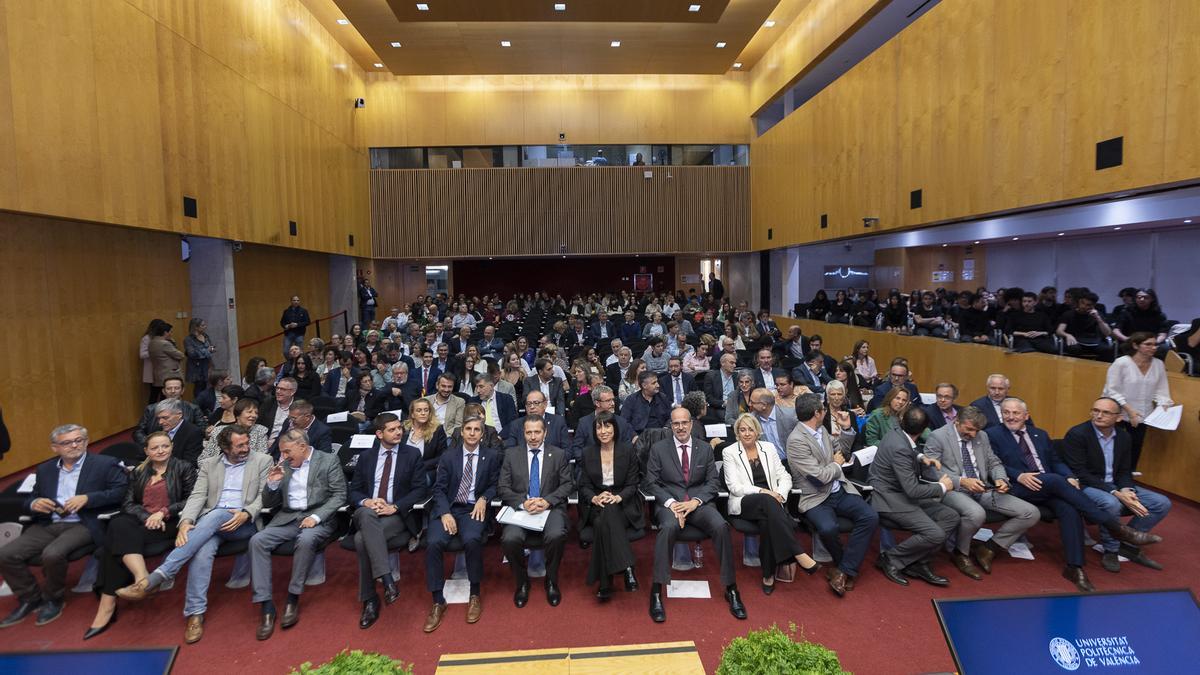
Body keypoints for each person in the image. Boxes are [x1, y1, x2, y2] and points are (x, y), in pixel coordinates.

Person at [116, 425, 272, 644]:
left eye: (247, 443)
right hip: (210, 525)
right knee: (202, 551)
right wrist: (186, 522)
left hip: (243, 523)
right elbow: (198, 496)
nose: (246, 448)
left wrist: (247, 513)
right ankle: (195, 614)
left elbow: (265, 496)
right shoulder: (209, 465)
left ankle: (160, 575)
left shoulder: (262, 460)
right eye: (240, 445)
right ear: (225, 448)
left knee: (217, 515)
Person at [986, 398, 1162, 592]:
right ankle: (1114, 527)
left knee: (1069, 508)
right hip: (1017, 486)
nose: (1010, 417)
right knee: (1054, 479)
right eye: (1006, 413)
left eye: (1016, 413)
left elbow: (1055, 460)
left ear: (1026, 416)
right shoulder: (991, 435)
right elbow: (993, 464)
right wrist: (1019, 475)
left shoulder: (1040, 434)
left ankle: (1074, 566)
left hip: (1050, 487)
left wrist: (1068, 476)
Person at [0, 425, 127, 629]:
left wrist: (88, 498)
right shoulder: (45, 469)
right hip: (49, 522)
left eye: (79, 440)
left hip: (84, 523)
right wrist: (34, 504)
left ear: (86, 442)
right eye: (67, 442)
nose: (74, 445)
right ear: (55, 447)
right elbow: (31, 497)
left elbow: (121, 492)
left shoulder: (105, 464)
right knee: (6, 554)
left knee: (52, 554)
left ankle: (53, 599)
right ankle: (30, 598)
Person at [84, 432, 196, 639]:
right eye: (155, 448)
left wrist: (162, 513)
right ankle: (144, 579)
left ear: (172, 446)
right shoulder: (139, 472)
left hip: (171, 522)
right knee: (119, 523)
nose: (161, 451)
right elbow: (128, 504)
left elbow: (192, 500)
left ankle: (106, 607)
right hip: (142, 522)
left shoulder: (184, 468)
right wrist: (148, 517)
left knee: (112, 545)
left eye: (165, 446)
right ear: (146, 451)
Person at [643, 407, 745, 622]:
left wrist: (695, 502)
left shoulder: (705, 448)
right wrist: (673, 504)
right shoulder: (659, 449)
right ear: (670, 426)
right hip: (670, 503)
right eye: (675, 423)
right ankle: (656, 590)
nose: (680, 427)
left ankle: (731, 587)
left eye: (684, 423)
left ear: (691, 424)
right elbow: (651, 482)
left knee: (720, 526)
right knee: (668, 528)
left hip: (699, 503)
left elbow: (713, 483)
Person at [250, 429, 346, 639]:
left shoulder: (328, 461)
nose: (283, 456)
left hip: (318, 519)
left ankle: (292, 597)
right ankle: (266, 605)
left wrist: (317, 517)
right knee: (257, 540)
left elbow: (339, 495)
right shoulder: (283, 465)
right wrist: (273, 484)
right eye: (282, 452)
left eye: (287, 451)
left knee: (307, 539)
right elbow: (269, 503)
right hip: (287, 518)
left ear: (302, 447)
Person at [922, 407, 1039, 580]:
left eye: (976, 430)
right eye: (969, 429)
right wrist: (961, 481)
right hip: (954, 489)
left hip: (983, 487)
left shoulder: (982, 436)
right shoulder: (938, 436)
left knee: (1031, 513)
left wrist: (1001, 479)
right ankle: (961, 552)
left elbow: (994, 462)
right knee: (976, 514)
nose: (973, 434)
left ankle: (990, 547)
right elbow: (930, 472)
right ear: (957, 422)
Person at [1061, 398, 1172, 573]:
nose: (1098, 415)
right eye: (1095, 410)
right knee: (1111, 503)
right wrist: (1115, 492)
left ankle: (1126, 542)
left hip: (1115, 484)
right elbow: (1080, 473)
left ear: (1118, 418)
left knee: (1161, 502)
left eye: (1105, 412)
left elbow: (1125, 469)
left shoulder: (1123, 436)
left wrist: (1126, 489)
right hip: (1086, 485)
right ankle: (1111, 549)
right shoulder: (1078, 434)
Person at [787, 394, 875, 597]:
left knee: (870, 517)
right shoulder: (796, 440)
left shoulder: (822, 429)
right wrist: (836, 464)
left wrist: (845, 430)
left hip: (839, 489)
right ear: (817, 413)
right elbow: (820, 476)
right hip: (815, 496)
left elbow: (841, 452)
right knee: (828, 528)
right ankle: (846, 567)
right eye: (823, 409)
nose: (826, 412)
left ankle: (843, 570)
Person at [723, 414, 819, 595]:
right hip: (745, 502)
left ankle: (767, 574)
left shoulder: (768, 448)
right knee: (767, 503)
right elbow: (734, 487)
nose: (746, 433)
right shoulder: (729, 452)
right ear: (737, 432)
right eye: (742, 430)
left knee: (767, 522)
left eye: (750, 429)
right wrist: (765, 492)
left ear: (757, 431)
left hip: (772, 504)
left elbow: (785, 476)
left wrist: (780, 495)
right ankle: (797, 552)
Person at [349, 414, 427, 629]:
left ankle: (370, 599)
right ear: (379, 434)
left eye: (399, 428)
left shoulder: (411, 454)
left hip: (395, 515)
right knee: (365, 515)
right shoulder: (366, 457)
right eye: (392, 429)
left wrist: (395, 506)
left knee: (360, 540)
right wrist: (367, 502)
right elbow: (353, 491)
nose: (398, 432)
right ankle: (386, 579)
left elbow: (421, 488)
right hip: (369, 512)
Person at [423, 417, 500, 633]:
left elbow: (495, 484)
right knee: (434, 542)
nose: (473, 433)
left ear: (482, 434)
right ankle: (438, 600)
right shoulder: (449, 456)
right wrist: (445, 513)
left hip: (474, 507)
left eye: (477, 430)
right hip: (449, 508)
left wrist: (484, 498)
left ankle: (474, 594)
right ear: (462, 433)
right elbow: (438, 489)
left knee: (472, 539)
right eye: (469, 429)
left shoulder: (491, 456)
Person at [869, 407, 959, 587]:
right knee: (935, 534)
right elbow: (913, 491)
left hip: (900, 494)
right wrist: (942, 487)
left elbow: (907, 447)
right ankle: (890, 558)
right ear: (924, 429)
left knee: (951, 517)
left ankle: (919, 562)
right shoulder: (900, 448)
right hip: (889, 500)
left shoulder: (895, 432)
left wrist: (920, 457)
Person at [497, 416, 574, 609]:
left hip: (550, 508)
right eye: (528, 432)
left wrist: (547, 501)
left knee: (556, 535)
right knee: (509, 539)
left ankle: (551, 580)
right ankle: (522, 582)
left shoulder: (558, 454)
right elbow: (503, 487)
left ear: (545, 433)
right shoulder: (512, 455)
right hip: (521, 509)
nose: (533, 437)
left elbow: (568, 485)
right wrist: (523, 503)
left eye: (537, 432)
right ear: (523, 433)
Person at [578, 413, 644, 601]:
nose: (603, 431)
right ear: (594, 431)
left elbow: (633, 484)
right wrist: (594, 497)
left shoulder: (627, 450)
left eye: (607, 427)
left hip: (623, 504)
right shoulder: (587, 452)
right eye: (599, 427)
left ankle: (605, 582)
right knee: (605, 513)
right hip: (597, 503)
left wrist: (618, 497)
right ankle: (627, 567)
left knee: (601, 523)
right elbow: (583, 485)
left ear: (615, 429)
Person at [1103, 332, 1173, 471]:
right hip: (1117, 412)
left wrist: (1163, 404)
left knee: (1135, 447)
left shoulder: (1158, 364)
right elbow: (1112, 390)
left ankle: (1128, 479)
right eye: (1148, 344)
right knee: (1114, 446)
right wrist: (1129, 411)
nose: (1153, 347)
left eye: (1155, 344)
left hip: (1142, 414)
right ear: (1135, 345)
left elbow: (1161, 390)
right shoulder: (1121, 363)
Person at [133, 376, 206, 445]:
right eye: (169, 388)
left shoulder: (193, 408)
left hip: (182, 447)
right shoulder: (151, 409)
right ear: (163, 391)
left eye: (177, 388)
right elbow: (138, 432)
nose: (173, 391)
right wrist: (151, 443)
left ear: (182, 390)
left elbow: (201, 430)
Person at [202, 397, 269, 460]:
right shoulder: (219, 431)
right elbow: (204, 458)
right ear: (238, 415)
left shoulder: (260, 431)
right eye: (249, 412)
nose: (254, 415)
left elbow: (263, 457)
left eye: (256, 413)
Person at [1056, 291, 1114, 360]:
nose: (1084, 306)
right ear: (1079, 302)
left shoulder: (1097, 315)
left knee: (1107, 350)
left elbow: (1107, 333)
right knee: (1074, 348)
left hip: (1094, 341)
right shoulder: (1069, 314)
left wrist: (1098, 319)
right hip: (1076, 340)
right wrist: (1067, 335)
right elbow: (1059, 331)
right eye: (1082, 303)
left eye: (1088, 305)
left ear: (1093, 306)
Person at [502, 391, 570, 449]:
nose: (532, 407)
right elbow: (511, 450)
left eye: (536, 403)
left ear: (545, 404)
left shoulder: (558, 422)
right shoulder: (516, 424)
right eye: (529, 404)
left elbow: (567, 449)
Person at [404, 397, 449, 482]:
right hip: (403, 468)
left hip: (425, 470)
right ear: (412, 414)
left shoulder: (437, 430)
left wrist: (420, 465)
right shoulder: (404, 428)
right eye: (419, 410)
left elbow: (443, 455)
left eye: (426, 410)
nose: (423, 413)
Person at [151, 398, 206, 467]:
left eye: (165, 418)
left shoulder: (193, 432)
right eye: (158, 418)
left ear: (179, 415)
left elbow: (189, 463)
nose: (160, 422)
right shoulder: (158, 428)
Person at [268, 399, 332, 456]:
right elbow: (277, 442)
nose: (290, 420)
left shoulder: (322, 431)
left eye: (294, 418)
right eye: (289, 417)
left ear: (307, 417)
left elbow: (325, 455)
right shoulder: (288, 421)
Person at [748, 388, 797, 461]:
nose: (749, 404)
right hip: (770, 463)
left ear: (764, 405)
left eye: (752, 402)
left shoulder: (789, 416)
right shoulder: (752, 419)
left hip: (792, 461)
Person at [622, 370, 671, 436]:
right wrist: (633, 436)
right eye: (654, 383)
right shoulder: (631, 400)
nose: (658, 385)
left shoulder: (662, 397)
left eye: (657, 382)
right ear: (644, 386)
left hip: (660, 434)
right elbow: (624, 422)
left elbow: (671, 416)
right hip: (639, 436)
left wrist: (666, 428)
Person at [141, 319, 169, 404]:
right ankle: (152, 415)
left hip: (163, 370)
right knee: (154, 394)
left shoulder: (163, 337)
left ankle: (163, 413)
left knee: (165, 394)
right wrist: (155, 351)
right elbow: (142, 354)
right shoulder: (146, 338)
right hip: (152, 371)